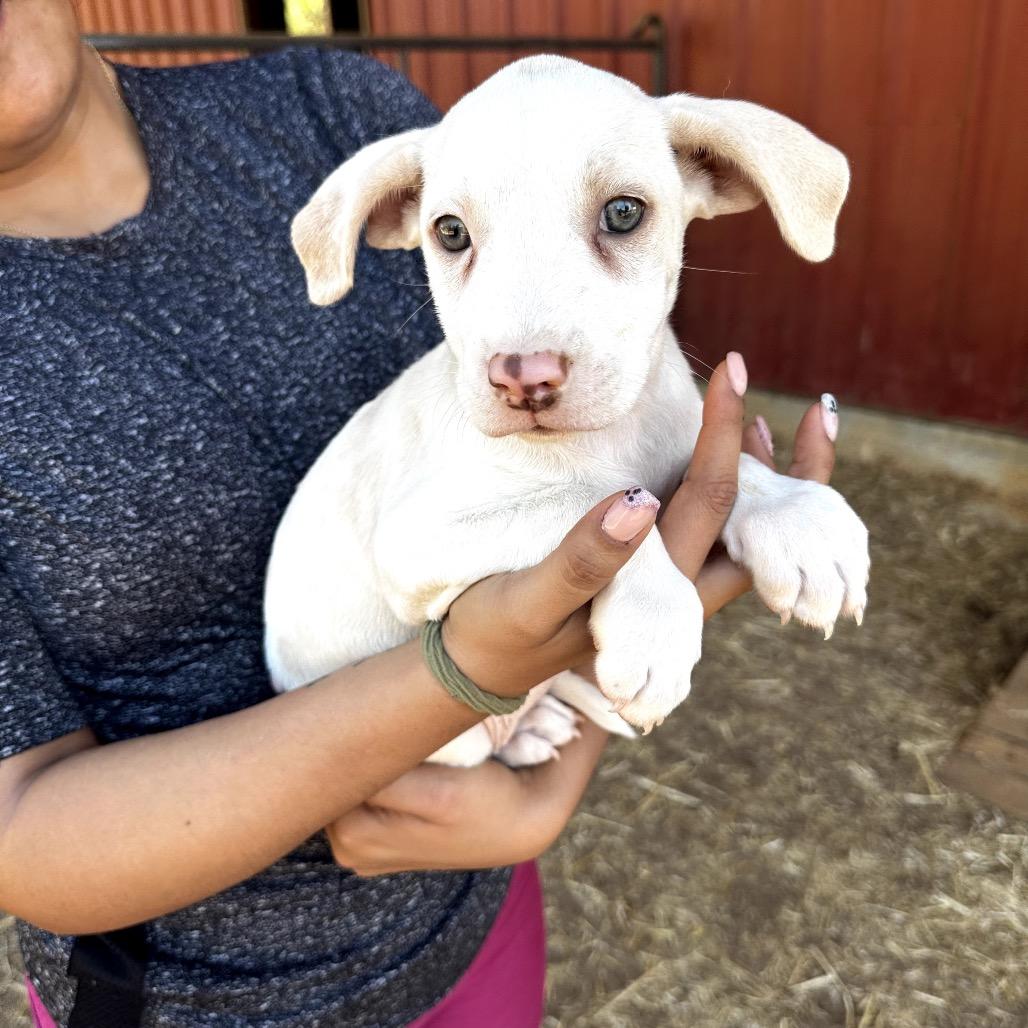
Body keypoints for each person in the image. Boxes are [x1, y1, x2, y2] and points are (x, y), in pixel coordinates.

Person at [0, 2, 841, 1025]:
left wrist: (554, 766)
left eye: (619, 216)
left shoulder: (333, 104)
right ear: (402, 221)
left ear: (713, 172)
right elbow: (22, 830)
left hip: (468, 919)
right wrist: (481, 672)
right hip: (202, 997)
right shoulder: (384, 165)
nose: (524, 358)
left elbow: (604, 475)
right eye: (452, 237)